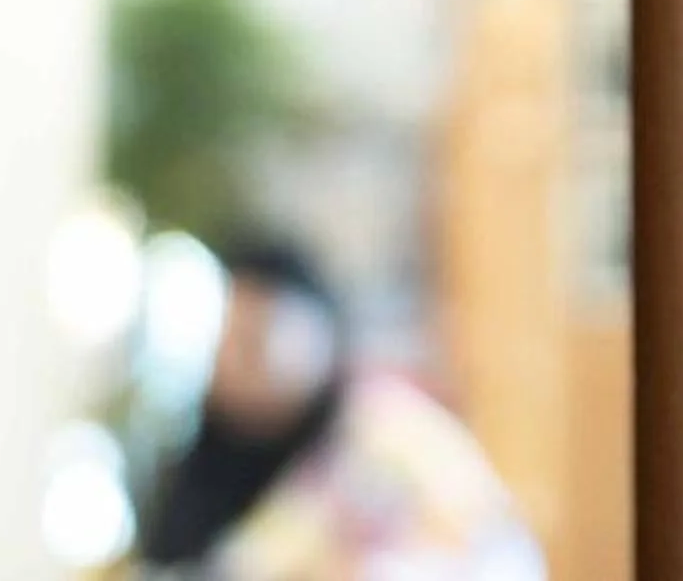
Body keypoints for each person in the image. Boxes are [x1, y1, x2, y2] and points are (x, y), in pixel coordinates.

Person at [140, 238, 542, 579]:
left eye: (254, 337)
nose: (233, 363)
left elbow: (496, 549)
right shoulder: (205, 482)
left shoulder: (390, 431)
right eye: (218, 353)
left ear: (316, 315)